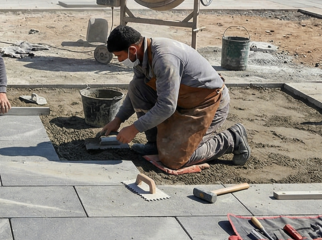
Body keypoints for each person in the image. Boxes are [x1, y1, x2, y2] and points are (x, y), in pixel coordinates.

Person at [98, 25, 250, 170]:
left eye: (119, 56)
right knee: (136, 87)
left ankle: (232, 138)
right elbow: (136, 91)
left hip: (208, 103)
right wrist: (118, 119)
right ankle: (155, 143)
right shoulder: (140, 56)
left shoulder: (164, 59)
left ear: (132, 49)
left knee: (175, 159)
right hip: (182, 101)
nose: (118, 60)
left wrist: (134, 128)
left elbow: (167, 106)